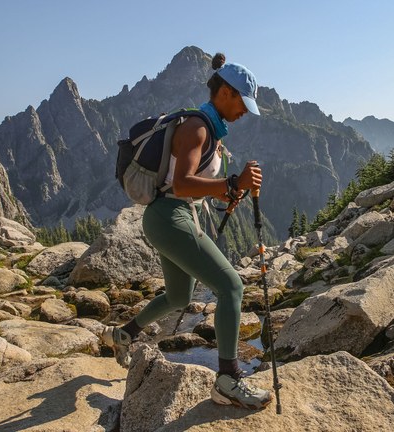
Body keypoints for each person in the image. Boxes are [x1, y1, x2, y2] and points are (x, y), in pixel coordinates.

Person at [101, 53, 272, 410]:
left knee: (180, 297)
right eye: (243, 102)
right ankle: (228, 380)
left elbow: (195, 186)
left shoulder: (210, 131)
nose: (244, 112)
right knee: (231, 287)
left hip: (172, 217)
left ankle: (123, 334)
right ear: (225, 92)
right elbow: (180, 184)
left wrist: (229, 190)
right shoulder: (197, 127)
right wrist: (229, 181)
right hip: (170, 217)